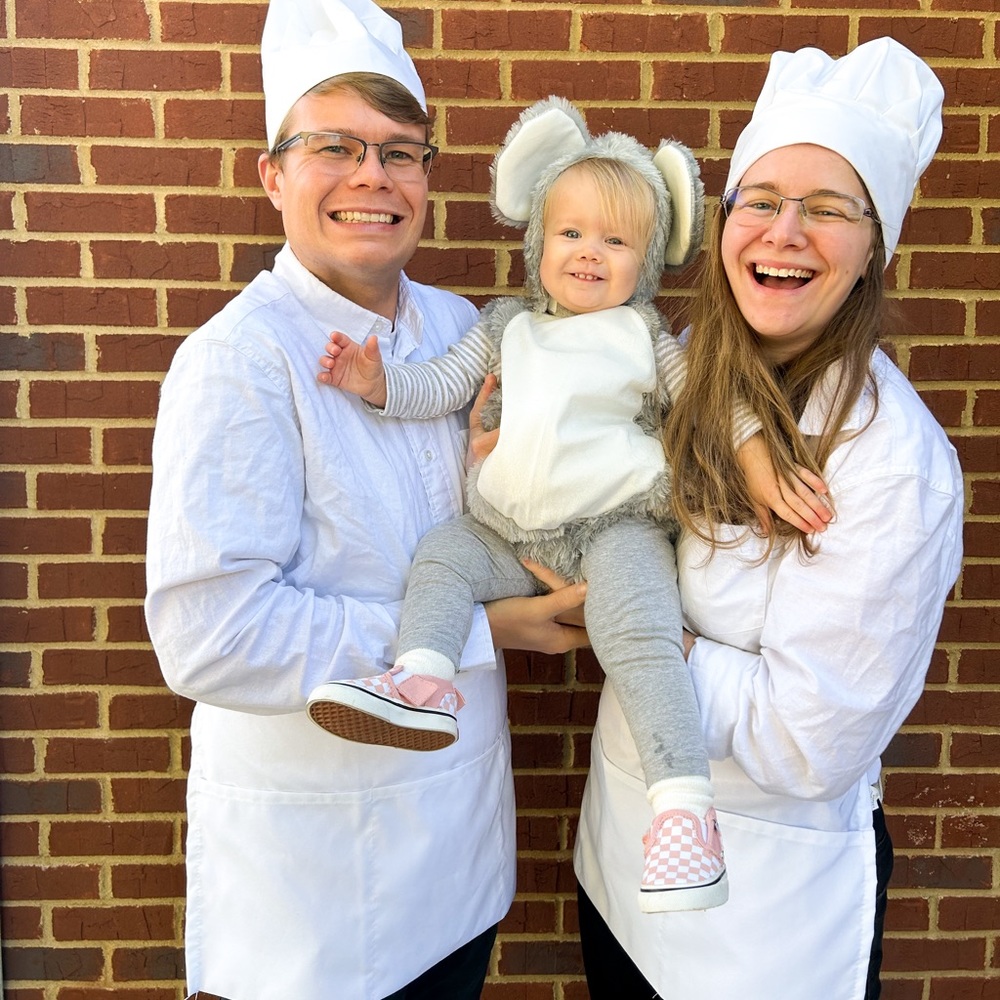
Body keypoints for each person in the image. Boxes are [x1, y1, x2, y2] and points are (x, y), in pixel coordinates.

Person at [143, 2, 591, 997]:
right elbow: (211, 636)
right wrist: (484, 633)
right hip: (315, 900)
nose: (371, 177)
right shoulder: (239, 360)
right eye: (333, 147)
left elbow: (478, 521)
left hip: (457, 854)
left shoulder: (458, 329)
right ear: (273, 174)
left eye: (399, 151)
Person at [305, 97, 832, 915]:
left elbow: (713, 407)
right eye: (571, 233)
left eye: (616, 242)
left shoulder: (644, 335)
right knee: (441, 556)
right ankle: (424, 678)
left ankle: (683, 814)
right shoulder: (505, 325)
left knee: (641, 639)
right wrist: (379, 385)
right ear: (538, 244)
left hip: (617, 528)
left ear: (647, 263)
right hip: (506, 531)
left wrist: (760, 463)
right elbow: (442, 385)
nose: (589, 253)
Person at [572, 37, 964, 1000]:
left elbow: (808, 738)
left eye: (827, 210)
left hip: (763, 917)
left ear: (873, 249)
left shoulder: (890, 461)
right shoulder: (692, 361)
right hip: (620, 863)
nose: (784, 233)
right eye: (761, 201)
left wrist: (633, 626)